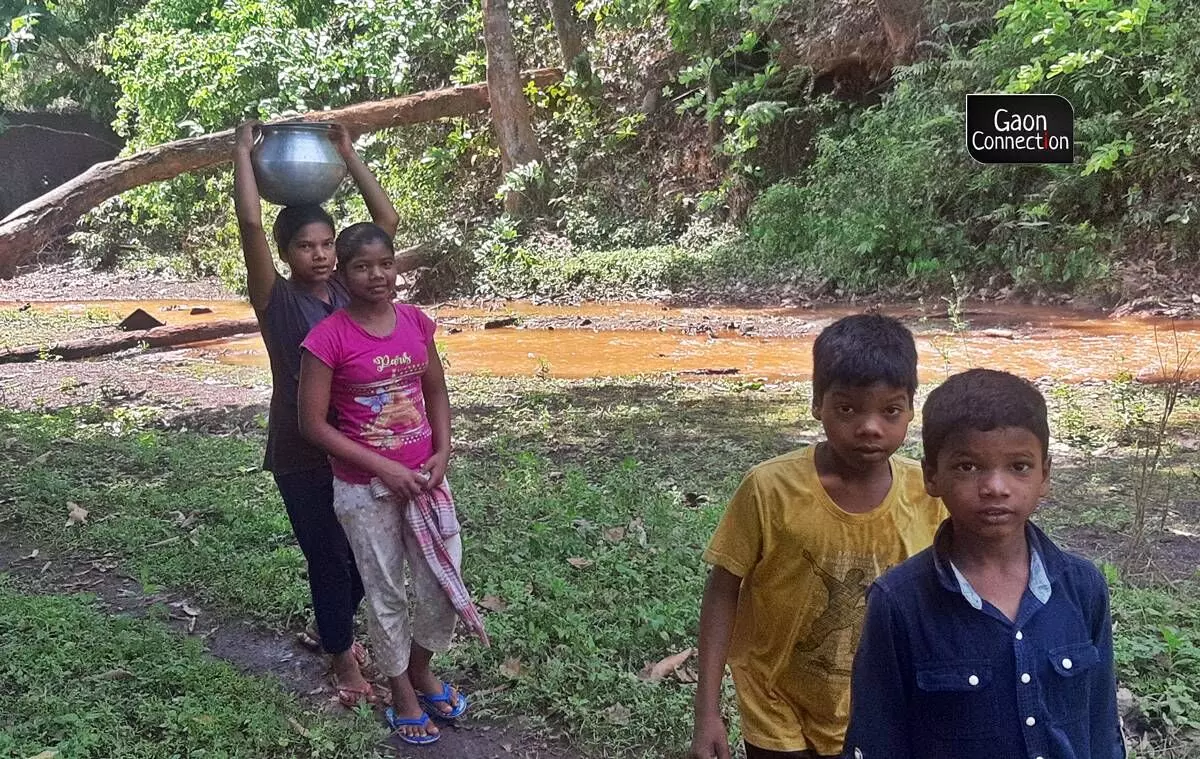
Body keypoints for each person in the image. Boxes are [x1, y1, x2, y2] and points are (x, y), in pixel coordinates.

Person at [691, 314, 948, 759]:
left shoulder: (928, 495)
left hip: (881, 704)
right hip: (775, 700)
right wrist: (707, 712)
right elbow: (722, 591)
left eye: (890, 410)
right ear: (817, 404)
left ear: (911, 410)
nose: (870, 427)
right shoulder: (769, 489)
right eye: (848, 409)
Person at [842, 369, 1124, 759]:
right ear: (931, 476)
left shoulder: (1082, 587)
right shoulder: (899, 602)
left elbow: (1101, 726)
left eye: (1019, 466)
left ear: (1045, 475)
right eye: (968, 466)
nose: (996, 487)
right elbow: (877, 740)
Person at [297, 222, 488, 746]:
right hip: (364, 489)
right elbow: (312, 424)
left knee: (442, 585)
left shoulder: (415, 322)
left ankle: (422, 668)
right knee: (385, 594)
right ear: (343, 272)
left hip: (425, 481)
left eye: (385, 263)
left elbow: (437, 392)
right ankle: (402, 689)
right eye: (362, 266)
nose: (377, 275)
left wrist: (443, 452)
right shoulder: (327, 337)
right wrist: (383, 467)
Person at [232, 119, 399, 707]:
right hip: (302, 453)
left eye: (327, 244)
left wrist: (350, 155)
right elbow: (251, 221)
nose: (321, 255)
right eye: (306, 247)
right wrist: (243, 157)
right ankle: (342, 659)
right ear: (284, 255)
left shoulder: (347, 294)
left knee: (361, 556)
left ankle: (333, 631)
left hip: (353, 447)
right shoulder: (275, 299)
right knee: (329, 558)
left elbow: (386, 226)